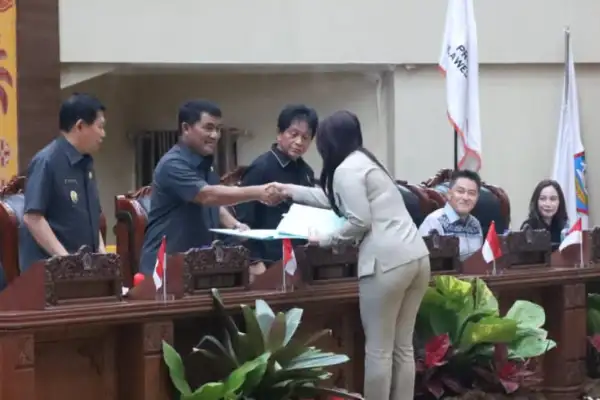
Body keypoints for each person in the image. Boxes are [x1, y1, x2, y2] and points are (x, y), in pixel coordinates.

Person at [271, 110, 430, 400]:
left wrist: (324, 240)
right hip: (417, 257)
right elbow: (335, 200)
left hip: (386, 263)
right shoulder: (366, 162)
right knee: (402, 347)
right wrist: (289, 190)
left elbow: (359, 221)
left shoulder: (345, 170)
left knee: (379, 350)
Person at [138, 100, 285, 275]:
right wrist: (259, 192)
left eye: (218, 129)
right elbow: (207, 196)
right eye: (208, 128)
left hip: (197, 264)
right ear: (186, 128)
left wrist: (235, 226)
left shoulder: (206, 163)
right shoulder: (172, 164)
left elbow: (214, 205)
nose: (215, 135)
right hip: (163, 268)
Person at [21, 93, 107, 270]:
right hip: (51, 272)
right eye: (100, 127)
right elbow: (33, 218)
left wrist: (104, 261)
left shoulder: (86, 164)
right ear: (80, 126)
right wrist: (66, 260)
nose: (103, 134)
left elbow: (93, 220)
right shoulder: (47, 161)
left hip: (84, 270)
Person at [235, 104, 318, 268]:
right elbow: (243, 219)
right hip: (268, 259)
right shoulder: (261, 168)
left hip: (300, 257)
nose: (299, 142)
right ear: (279, 133)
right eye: (294, 134)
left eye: (306, 137)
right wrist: (254, 260)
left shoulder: (307, 172)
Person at [418, 170, 483, 260]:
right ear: (449, 194)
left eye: (471, 193)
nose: (465, 197)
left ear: (477, 198)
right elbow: (425, 263)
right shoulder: (434, 222)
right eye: (460, 191)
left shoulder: (475, 224)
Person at [520, 179, 569, 249]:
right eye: (543, 199)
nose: (548, 204)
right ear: (536, 201)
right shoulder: (528, 227)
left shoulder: (564, 227)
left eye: (553, 199)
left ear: (560, 202)